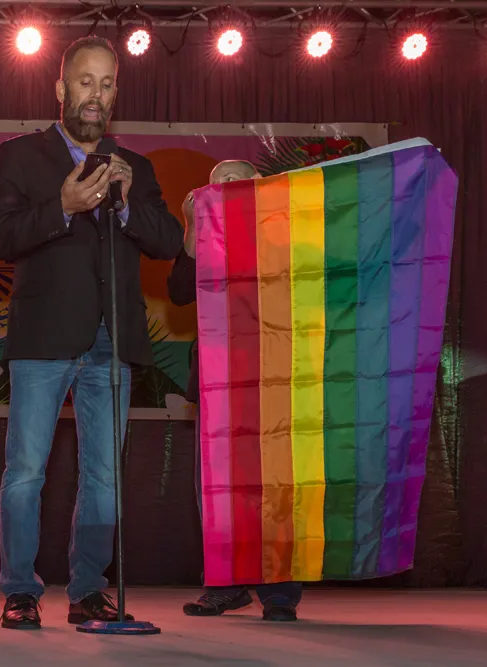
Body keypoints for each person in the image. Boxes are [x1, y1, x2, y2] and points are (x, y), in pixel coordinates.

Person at [0, 36, 183, 630]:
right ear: (61, 87)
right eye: (84, 81)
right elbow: (0, 237)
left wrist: (124, 205)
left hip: (112, 341)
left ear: (115, 94)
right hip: (43, 338)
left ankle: (89, 590)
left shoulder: (134, 167)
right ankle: (20, 591)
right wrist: (64, 206)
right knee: (26, 471)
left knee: (104, 475)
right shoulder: (22, 156)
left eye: (106, 84)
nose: (94, 94)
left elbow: (168, 241)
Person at [167, 159, 302, 622]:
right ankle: (225, 586)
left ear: (259, 185)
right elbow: (179, 291)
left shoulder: (284, 232)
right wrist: (192, 226)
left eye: (238, 178)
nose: (228, 185)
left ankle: (279, 592)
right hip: (218, 379)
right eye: (219, 182)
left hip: (275, 375)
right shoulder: (206, 237)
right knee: (219, 489)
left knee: (275, 486)